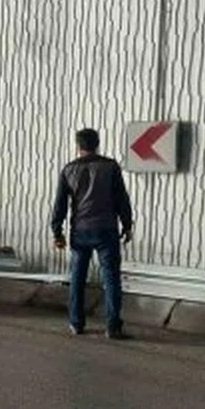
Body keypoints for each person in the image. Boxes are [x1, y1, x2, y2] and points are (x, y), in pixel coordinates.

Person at [51, 128, 134, 339]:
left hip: (80, 231)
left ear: (78, 146)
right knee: (111, 278)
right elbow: (121, 198)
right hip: (106, 230)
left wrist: (57, 231)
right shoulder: (110, 166)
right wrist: (127, 224)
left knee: (77, 278)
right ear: (97, 144)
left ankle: (76, 323)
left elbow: (60, 204)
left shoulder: (68, 170)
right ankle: (113, 327)